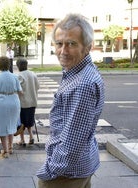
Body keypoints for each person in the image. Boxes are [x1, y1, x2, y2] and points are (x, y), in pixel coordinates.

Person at [36, 13, 105, 188]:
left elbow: (72, 142)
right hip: (80, 166)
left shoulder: (82, 83)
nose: (63, 51)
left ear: (88, 47)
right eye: (59, 44)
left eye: (72, 44)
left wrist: (50, 172)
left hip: (66, 174)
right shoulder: (79, 71)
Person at [0, 56, 22, 158]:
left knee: (2, 127)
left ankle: (6, 151)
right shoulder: (14, 77)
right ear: (9, 65)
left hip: (1, 103)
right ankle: (11, 147)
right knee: (12, 124)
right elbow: (20, 92)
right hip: (14, 101)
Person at [16, 58, 39, 146]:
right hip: (33, 101)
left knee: (21, 122)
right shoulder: (33, 74)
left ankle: (22, 140)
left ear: (18, 66)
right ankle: (31, 136)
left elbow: (18, 89)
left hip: (23, 102)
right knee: (29, 121)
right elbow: (38, 86)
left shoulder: (19, 76)